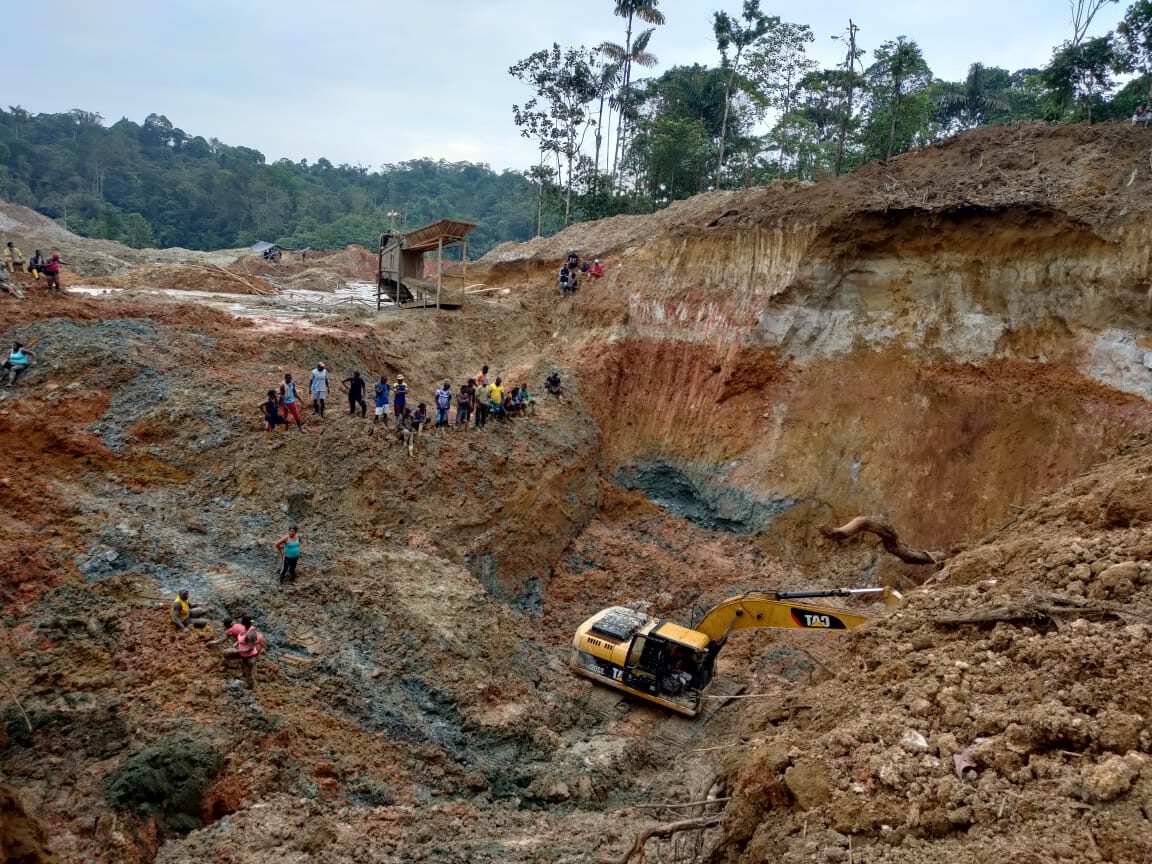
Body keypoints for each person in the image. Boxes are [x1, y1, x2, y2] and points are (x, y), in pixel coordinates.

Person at [221, 615, 263, 690]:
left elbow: (250, 648)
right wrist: (237, 643)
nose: (240, 620)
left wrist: (238, 651)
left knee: (249, 674)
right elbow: (242, 639)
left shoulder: (251, 634)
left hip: (249, 655)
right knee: (226, 652)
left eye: (242, 620)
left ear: (244, 622)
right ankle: (224, 667)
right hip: (242, 653)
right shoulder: (245, 629)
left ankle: (251, 686)